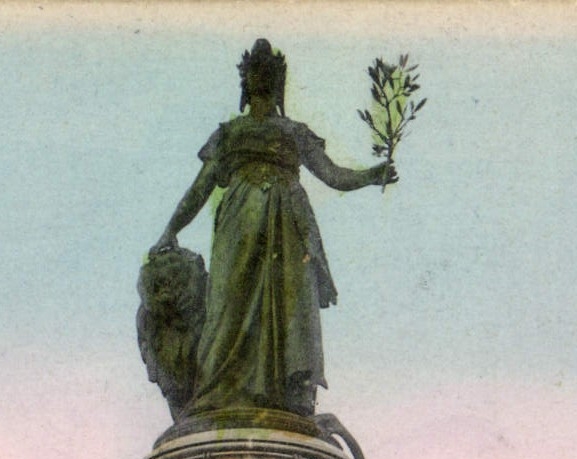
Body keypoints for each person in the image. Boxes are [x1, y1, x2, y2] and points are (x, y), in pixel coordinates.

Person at [151, 38, 394, 419]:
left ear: (278, 82)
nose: (260, 78)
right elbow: (200, 189)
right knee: (229, 304)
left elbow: (332, 174)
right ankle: (224, 391)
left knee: (290, 305)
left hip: (287, 223)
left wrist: (370, 175)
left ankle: (289, 394)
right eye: (254, 72)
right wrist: (170, 230)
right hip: (239, 223)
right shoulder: (228, 134)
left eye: (268, 73)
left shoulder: (295, 132)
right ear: (245, 83)